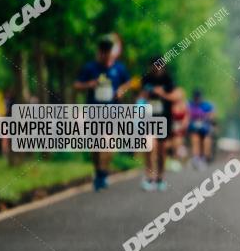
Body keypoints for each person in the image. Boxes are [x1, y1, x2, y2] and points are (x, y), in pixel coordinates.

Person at [74, 37, 131, 191]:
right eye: (102, 53)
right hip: (94, 110)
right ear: (99, 53)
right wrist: (89, 84)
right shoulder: (90, 68)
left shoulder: (119, 68)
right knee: (95, 145)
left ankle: (103, 172)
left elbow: (128, 83)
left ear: (111, 53)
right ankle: (98, 172)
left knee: (108, 142)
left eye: (108, 53)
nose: (105, 56)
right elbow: (76, 85)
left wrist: (121, 90)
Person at [138, 58, 177, 191]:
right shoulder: (146, 79)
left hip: (164, 119)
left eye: (160, 66)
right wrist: (145, 96)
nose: (158, 68)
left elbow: (175, 97)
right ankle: (149, 176)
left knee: (161, 150)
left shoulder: (168, 80)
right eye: (155, 66)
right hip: (149, 118)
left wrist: (162, 93)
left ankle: (160, 177)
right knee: (149, 146)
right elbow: (140, 98)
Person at [188, 89, 215, 169]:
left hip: (205, 128)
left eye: (198, 97)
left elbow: (212, 115)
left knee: (206, 140)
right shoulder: (190, 104)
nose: (197, 99)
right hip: (194, 128)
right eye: (196, 97)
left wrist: (207, 117)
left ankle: (204, 158)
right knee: (195, 138)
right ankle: (196, 158)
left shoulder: (207, 105)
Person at [168, 87, 188, 171]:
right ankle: (171, 160)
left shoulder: (184, 105)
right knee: (169, 144)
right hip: (170, 128)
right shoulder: (170, 105)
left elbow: (186, 119)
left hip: (179, 130)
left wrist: (180, 127)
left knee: (177, 142)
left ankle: (176, 160)